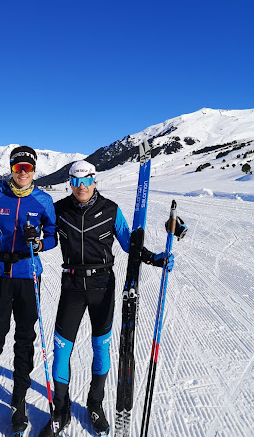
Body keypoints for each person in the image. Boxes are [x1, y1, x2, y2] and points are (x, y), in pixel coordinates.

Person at [39, 160, 176, 437]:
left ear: (94, 180)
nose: (81, 187)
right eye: (75, 182)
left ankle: (94, 404)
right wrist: (32, 240)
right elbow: (48, 238)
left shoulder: (111, 210)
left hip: (102, 284)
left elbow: (129, 243)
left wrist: (154, 259)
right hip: (72, 283)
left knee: (100, 347)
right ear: (70, 183)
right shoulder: (59, 209)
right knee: (61, 348)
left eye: (85, 181)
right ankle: (61, 410)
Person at [0, 146, 57, 437]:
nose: (23, 173)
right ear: (11, 169)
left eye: (28, 168)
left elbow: (53, 236)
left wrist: (39, 244)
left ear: (34, 170)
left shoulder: (43, 200)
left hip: (28, 274)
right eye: (18, 168)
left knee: (24, 338)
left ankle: (18, 400)